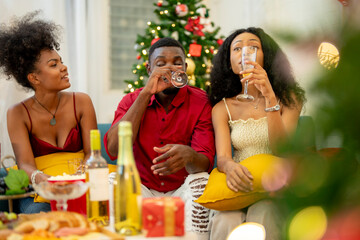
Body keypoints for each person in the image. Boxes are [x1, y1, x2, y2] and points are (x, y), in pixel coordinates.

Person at [105, 37, 215, 239]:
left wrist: (189, 156)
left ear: (185, 67)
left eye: (177, 62)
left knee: (202, 180)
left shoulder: (201, 102)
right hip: (142, 188)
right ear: (149, 69)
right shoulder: (131, 100)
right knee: (114, 180)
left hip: (182, 191)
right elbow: (113, 150)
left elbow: (205, 162)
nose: (170, 68)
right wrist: (146, 93)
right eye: (161, 63)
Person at [208, 27, 306, 240]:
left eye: (254, 47)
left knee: (264, 213)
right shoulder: (221, 108)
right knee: (226, 220)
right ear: (230, 62)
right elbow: (223, 158)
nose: (245, 53)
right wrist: (230, 166)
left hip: (273, 186)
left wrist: (270, 98)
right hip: (238, 184)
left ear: (266, 57)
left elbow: (282, 150)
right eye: (237, 49)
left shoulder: (289, 99)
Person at [0, 12, 97, 213]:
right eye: (54, 65)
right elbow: (25, 164)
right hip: (42, 190)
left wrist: (80, 177)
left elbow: (91, 154)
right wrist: (46, 182)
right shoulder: (17, 113)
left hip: (82, 185)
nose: (64, 68)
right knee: (36, 217)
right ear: (34, 77)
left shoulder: (82, 102)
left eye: (60, 61)